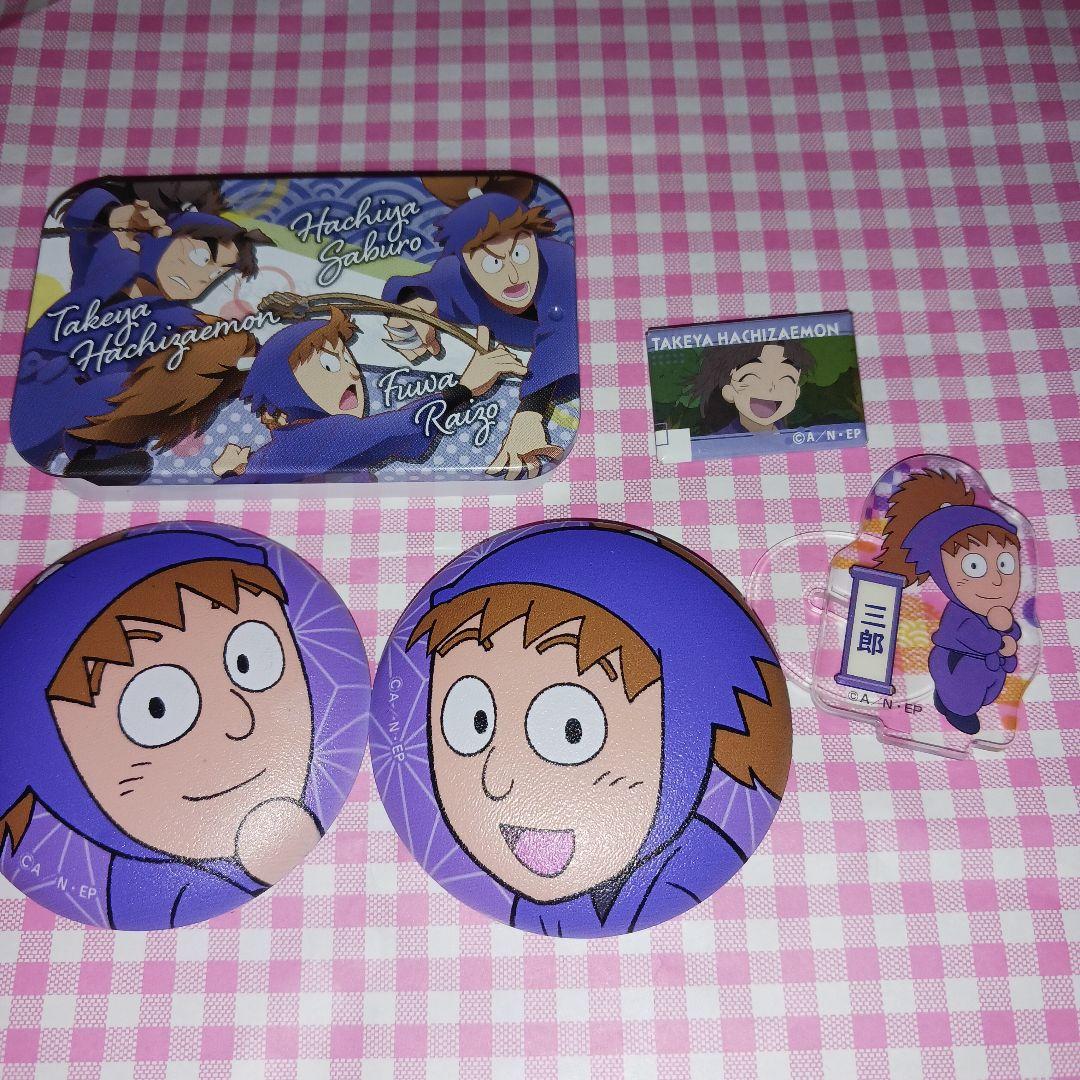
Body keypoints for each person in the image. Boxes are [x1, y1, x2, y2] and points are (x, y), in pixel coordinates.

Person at [406, 522, 791, 936]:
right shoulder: (546, 903)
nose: (496, 779)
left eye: (572, 729)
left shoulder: (684, 870)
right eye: (474, 722)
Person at [0, 527, 323, 929]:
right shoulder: (147, 896)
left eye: (248, 661)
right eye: (157, 708)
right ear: (59, 760)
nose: (239, 721)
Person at [14, 181, 273, 483]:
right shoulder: (108, 269)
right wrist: (113, 215)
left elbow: (221, 344)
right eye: (201, 258)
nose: (203, 277)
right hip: (34, 398)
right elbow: (85, 211)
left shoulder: (179, 318)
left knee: (139, 390)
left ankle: (100, 458)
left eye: (218, 273)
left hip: (79, 429)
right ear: (162, 236)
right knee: (126, 390)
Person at [381, 174, 578, 479]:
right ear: (465, 264)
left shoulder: (563, 266)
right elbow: (417, 287)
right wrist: (413, 309)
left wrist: (529, 416)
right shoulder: (456, 278)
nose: (513, 276)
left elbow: (562, 343)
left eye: (519, 253)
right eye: (492, 263)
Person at [218, 307, 526, 482]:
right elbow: (398, 427)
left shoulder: (287, 449)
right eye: (330, 364)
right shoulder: (314, 437)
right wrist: (463, 389)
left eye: (347, 359)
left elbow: (392, 439)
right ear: (284, 388)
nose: (352, 373)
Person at [875, 469, 1023, 734]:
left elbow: (1009, 634)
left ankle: (948, 703)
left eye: (1005, 564)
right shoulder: (959, 613)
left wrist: (1008, 630)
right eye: (975, 566)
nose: (997, 580)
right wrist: (1000, 639)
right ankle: (956, 711)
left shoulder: (989, 610)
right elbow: (969, 634)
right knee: (965, 696)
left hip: (985, 667)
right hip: (958, 663)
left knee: (983, 691)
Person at [693, 340, 815, 435]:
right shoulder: (720, 443)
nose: (771, 387)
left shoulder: (793, 438)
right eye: (754, 377)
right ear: (729, 391)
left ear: (796, 393)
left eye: (785, 378)